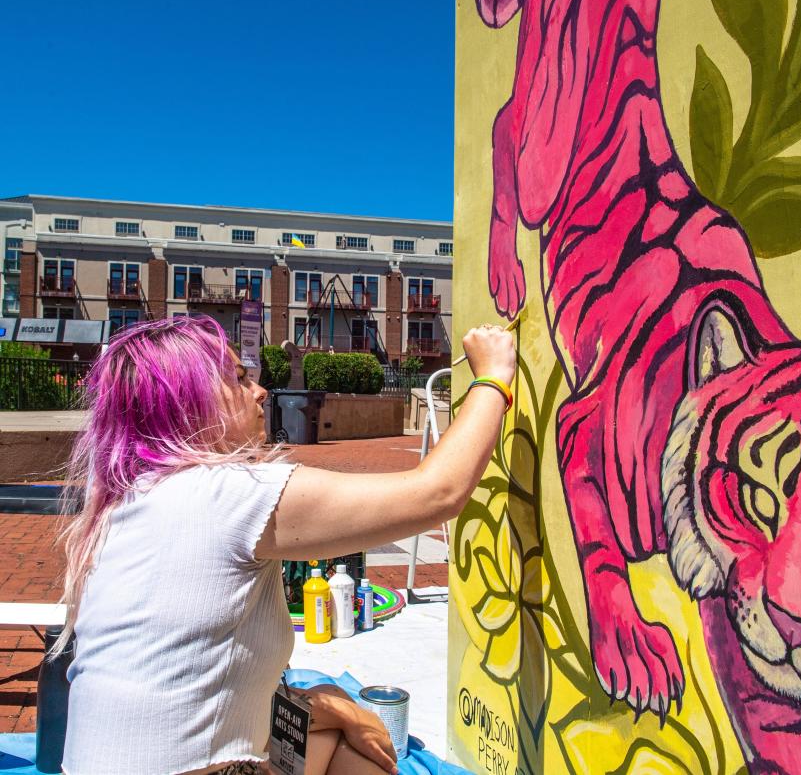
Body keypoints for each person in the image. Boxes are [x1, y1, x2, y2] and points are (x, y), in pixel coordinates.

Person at [54, 315, 516, 775]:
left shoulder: (125, 502)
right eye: (238, 379)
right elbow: (437, 493)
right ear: (185, 402)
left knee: (332, 724)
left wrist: (334, 709)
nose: (259, 391)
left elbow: (182, 679)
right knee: (360, 750)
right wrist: (493, 377)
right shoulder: (226, 494)